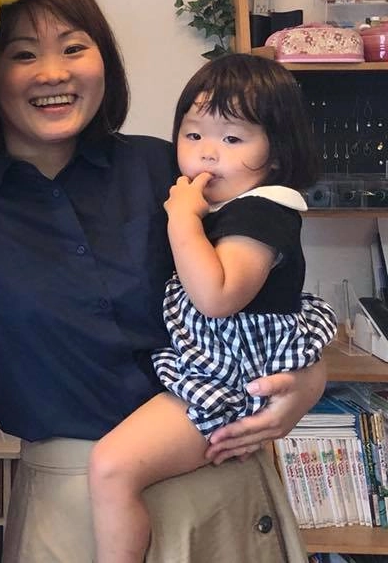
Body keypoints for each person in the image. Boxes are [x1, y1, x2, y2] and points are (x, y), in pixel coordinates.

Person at [0, 0, 328, 562]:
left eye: (74, 47)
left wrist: (309, 382)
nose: (53, 73)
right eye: (23, 55)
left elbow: (267, 287)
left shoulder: (171, 171)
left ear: (103, 59)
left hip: (218, 489)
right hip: (68, 508)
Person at [87, 53, 337, 563]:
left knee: (112, 467)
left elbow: (216, 297)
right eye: (194, 134)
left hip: (232, 379)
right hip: (222, 370)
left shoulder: (263, 212)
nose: (207, 153)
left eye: (233, 139)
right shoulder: (230, 206)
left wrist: (181, 220)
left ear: (277, 152)